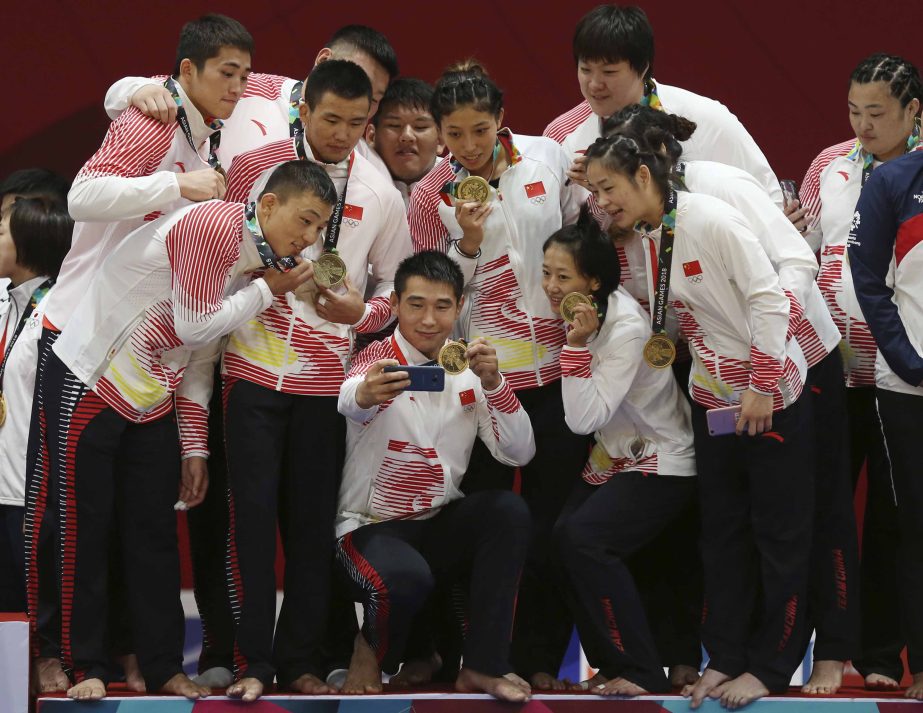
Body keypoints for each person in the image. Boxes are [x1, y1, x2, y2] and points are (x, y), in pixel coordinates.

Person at [35, 160, 333, 702]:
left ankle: (163, 666)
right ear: (267, 204)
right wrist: (268, 294)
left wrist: (194, 444)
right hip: (91, 381)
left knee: (154, 540)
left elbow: (196, 357)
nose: (308, 239)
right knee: (86, 531)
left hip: (151, 398)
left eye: (318, 230)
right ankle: (85, 667)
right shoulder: (212, 226)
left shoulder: (250, 265)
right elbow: (197, 324)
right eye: (305, 221)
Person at [22, 14, 252, 694]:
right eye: (225, 74)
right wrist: (172, 183)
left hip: (151, 365)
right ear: (186, 73)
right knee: (75, 519)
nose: (238, 88)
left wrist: (122, 86)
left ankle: (157, 664)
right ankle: (74, 659)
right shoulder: (151, 120)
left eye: (244, 74)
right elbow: (84, 196)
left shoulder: (210, 141)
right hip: (83, 343)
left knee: (150, 524)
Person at [605, 104, 858, 695]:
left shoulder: (717, 200)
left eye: (608, 185)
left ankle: (807, 657)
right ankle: (726, 653)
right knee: (723, 527)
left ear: (650, 163)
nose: (600, 200)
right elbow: (673, 302)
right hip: (718, 387)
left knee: (801, 520)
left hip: (792, 367)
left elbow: (788, 272)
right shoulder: (650, 226)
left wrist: (762, 374)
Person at [217, 59, 411, 699]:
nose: (343, 134)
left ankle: (298, 660)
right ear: (304, 108)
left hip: (322, 385)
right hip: (248, 369)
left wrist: (363, 314)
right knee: (247, 523)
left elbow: (397, 289)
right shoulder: (253, 169)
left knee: (308, 530)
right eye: (331, 119)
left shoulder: (379, 190)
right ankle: (250, 662)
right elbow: (218, 251)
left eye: (358, 123)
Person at [408, 60, 590, 689]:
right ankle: (464, 657)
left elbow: (585, 239)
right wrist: (463, 242)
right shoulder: (432, 192)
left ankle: (538, 659)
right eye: (453, 134)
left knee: (549, 523)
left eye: (479, 130)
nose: (468, 147)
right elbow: (429, 290)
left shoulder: (547, 160)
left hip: (555, 375)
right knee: (475, 520)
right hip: (481, 379)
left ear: (501, 120)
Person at [334, 250, 535, 703]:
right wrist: (364, 395)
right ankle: (367, 650)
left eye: (442, 306)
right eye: (416, 305)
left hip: (437, 527)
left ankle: (482, 666)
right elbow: (349, 397)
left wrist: (495, 384)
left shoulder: (466, 366)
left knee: (508, 511)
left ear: (460, 306)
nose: (429, 319)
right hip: (368, 529)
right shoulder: (374, 360)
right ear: (397, 306)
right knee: (406, 577)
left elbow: (520, 452)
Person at [799, 53, 922, 691]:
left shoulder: (919, 175)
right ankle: (833, 646)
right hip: (833, 367)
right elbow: (812, 247)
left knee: (895, 517)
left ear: (913, 112)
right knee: (828, 508)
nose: (863, 125)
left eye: (877, 113)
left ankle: (882, 653)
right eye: (854, 111)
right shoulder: (830, 164)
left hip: (903, 374)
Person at [542, 207, 697, 696]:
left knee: (585, 540)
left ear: (592, 282)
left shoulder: (625, 327)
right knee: (563, 539)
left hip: (666, 457)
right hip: (615, 455)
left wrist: (574, 347)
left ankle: (641, 672)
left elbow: (583, 419)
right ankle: (613, 664)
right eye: (545, 272)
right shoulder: (592, 313)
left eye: (561, 276)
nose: (549, 285)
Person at [543, 4, 781, 206]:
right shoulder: (562, 135)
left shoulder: (705, 117)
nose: (594, 85)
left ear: (643, 67)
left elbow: (768, 198)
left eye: (609, 71)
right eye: (585, 70)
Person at [105, 24, 398, 173]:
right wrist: (133, 89)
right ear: (323, 60)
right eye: (350, 75)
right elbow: (148, 91)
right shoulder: (251, 89)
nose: (357, 96)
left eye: (373, 99)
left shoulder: (366, 165)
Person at [849, 149, 923, 701]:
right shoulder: (894, 181)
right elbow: (868, 278)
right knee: (915, 526)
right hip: (910, 388)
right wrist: (907, 359)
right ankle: (921, 667)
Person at [0, 192, 71, 617]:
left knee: (40, 602)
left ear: (28, 244)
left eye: (0, 233)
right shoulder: (9, 303)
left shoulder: (59, 309)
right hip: (5, 480)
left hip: (38, 487)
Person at [366, 78, 444, 207]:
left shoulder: (462, 185)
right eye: (394, 125)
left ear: (440, 140)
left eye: (420, 127)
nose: (407, 136)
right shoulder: (350, 183)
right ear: (371, 137)